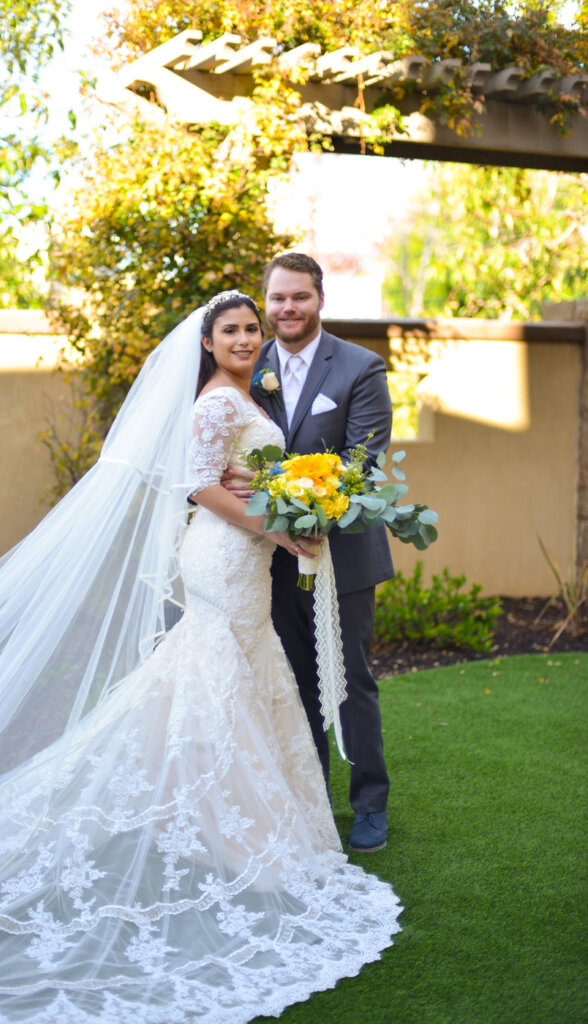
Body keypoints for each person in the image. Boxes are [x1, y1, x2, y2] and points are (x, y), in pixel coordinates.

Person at [0, 291, 400, 1024]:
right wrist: (285, 529)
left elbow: (240, 475)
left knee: (220, 675)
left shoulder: (244, 395)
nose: (244, 338)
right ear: (207, 341)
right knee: (222, 676)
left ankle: (213, 820)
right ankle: (239, 840)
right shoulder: (214, 405)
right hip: (223, 560)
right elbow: (198, 485)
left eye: (250, 329)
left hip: (243, 559)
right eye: (230, 329)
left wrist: (278, 498)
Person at [250, 254, 395, 853]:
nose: (288, 308)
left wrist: (314, 514)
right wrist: (278, 522)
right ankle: (308, 800)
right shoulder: (245, 363)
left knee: (350, 677)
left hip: (346, 553)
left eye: (299, 298)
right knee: (292, 678)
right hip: (268, 554)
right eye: (278, 298)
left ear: (319, 299)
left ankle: (370, 806)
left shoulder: (360, 366)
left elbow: (362, 460)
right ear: (267, 301)